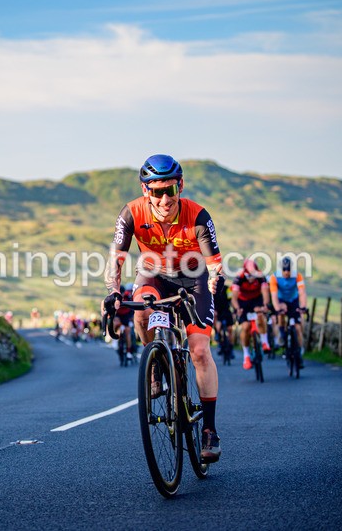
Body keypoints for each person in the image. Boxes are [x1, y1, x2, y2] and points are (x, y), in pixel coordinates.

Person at [102, 154, 223, 463]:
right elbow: (115, 261)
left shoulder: (198, 215)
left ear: (180, 186)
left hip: (194, 278)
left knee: (198, 350)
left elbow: (215, 266)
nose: (165, 198)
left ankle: (209, 429)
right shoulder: (131, 213)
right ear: (146, 192)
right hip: (154, 273)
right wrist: (113, 292)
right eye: (157, 191)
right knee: (141, 311)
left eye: (171, 190)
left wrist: (214, 286)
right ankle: (155, 358)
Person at [231, 259, 271, 370]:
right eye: (248, 276)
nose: (250, 279)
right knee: (246, 327)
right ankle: (246, 355)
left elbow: (265, 293)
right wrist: (237, 308)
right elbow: (234, 299)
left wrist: (265, 305)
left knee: (260, 316)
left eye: (252, 276)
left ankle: (264, 342)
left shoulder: (260, 277)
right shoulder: (239, 278)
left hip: (256, 300)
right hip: (243, 302)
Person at [269, 257, 308, 368]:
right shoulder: (274, 277)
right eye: (284, 270)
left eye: (288, 271)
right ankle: (282, 337)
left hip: (293, 300)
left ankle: (300, 350)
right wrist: (277, 308)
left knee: (297, 327)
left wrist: (303, 307)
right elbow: (274, 295)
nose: (286, 273)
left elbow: (302, 292)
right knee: (281, 316)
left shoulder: (298, 276)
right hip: (281, 300)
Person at [213, 275, 235, 360]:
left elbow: (231, 299)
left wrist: (234, 310)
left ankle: (231, 347)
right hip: (217, 310)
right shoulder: (213, 289)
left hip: (226, 309)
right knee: (217, 324)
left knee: (230, 329)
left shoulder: (227, 289)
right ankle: (217, 335)